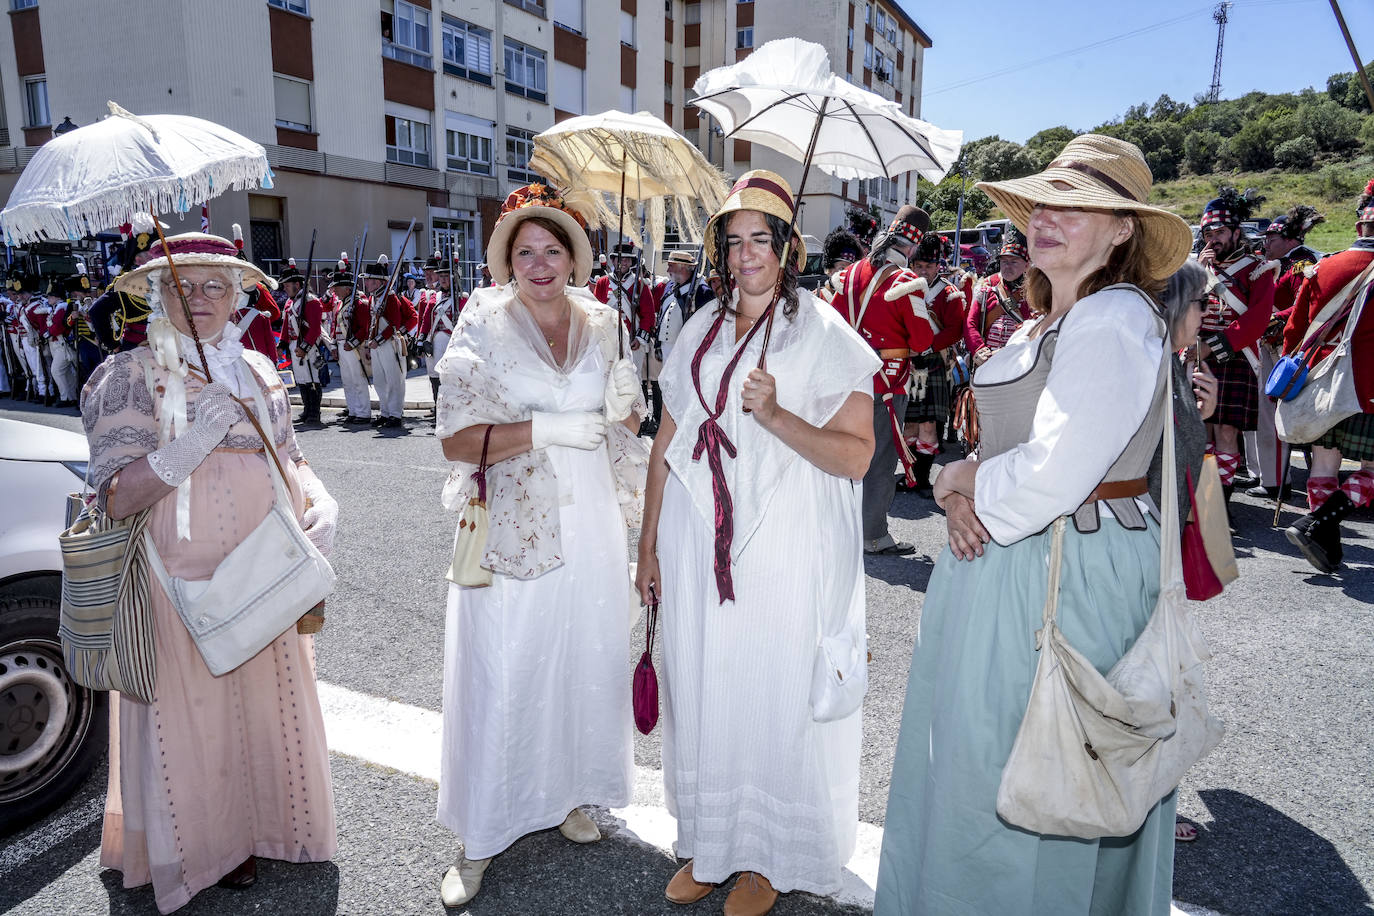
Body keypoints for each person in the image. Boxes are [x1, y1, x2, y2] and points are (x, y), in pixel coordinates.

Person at [874, 134, 1194, 915]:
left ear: (1123, 230)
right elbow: (1008, 457)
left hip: (1064, 565)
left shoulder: (1115, 316)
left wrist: (957, 479)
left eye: (1077, 208)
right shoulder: (1047, 321)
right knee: (990, 763)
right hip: (1013, 558)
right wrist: (957, 495)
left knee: (1041, 765)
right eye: (1043, 203)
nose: (1049, 218)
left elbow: (1054, 471)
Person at [636, 170, 878, 916]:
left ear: (787, 248)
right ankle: (712, 845)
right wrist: (646, 546)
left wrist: (777, 416)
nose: (746, 256)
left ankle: (767, 859)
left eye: (760, 240)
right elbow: (667, 436)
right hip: (693, 534)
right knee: (705, 684)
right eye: (733, 241)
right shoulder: (702, 325)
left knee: (768, 689)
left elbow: (857, 456)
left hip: (785, 543)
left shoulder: (824, 332)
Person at [86, 232, 338, 913]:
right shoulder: (127, 376)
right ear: (157, 295)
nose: (198, 299)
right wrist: (193, 441)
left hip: (267, 569)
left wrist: (319, 499)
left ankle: (263, 827)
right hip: (178, 574)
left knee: (262, 701)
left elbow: (292, 454)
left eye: (215, 286)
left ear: (239, 297)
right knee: (193, 713)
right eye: (182, 286)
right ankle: (204, 846)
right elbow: (112, 494)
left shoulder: (258, 368)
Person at [433, 183, 647, 908]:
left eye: (553, 249)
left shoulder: (605, 320)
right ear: (504, 259)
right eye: (524, 251)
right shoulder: (481, 323)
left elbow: (626, 429)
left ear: (575, 256)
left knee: (583, 653)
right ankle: (480, 832)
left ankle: (572, 792)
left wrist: (627, 404)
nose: (539, 262)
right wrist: (541, 430)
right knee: (508, 663)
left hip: (591, 518)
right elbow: (454, 439)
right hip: (516, 524)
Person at [829, 205, 936, 555]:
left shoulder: (846, 276)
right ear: (913, 247)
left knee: (841, 454)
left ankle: (839, 528)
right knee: (879, 460)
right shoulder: (906, 282)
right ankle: (872, 534)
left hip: (843, 380)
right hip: (885, 385)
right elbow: (921, 342)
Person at [1280, 186, 1374, 574]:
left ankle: (1327, 550)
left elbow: (1293, 331)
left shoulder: (1324, 266)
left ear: (1359, 224)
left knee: (1323, 468)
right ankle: (1315, 525)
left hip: (1319, 385)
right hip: (1367, 389)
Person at [1196, 187, 1279, 503]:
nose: (1214, 238)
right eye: (1208, 232)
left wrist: (1213, 347)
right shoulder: (1201, 266)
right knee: (1200, 430)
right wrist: (1197, 272)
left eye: (1220, 231)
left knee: (1226, 433)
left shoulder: (1258, 267)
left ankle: (1221, 501)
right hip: (1197, 355)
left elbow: (1257, 320)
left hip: (1235, 358)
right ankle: (1202, 498)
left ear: (1235, 232)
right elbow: (1184, 308)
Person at [1244, 205, 1327, 497]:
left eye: (1272, 238)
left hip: (1285, 349)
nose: (1266, 243)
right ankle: (1267, 475)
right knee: (1262, 412)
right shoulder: (1281, 263)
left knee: (1272, 412)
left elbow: (1305, 305)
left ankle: (1276, 480)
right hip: (1271, 344)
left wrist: (1276, 319)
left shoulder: (1300, 265)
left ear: (1291, 239)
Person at [900, 234, 967, 496]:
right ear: (912, 265)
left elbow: (955, 330)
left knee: (928, 425)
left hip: (933, 361)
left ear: (938, 266)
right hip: (909, 362)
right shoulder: (904, 288)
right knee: (909, 425)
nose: (923, 271)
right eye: (919, 266)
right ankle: (910, 477)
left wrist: (926, 346)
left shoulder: (949, 294)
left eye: (929, 266)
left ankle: (923, 478)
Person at [645, 249, 712, 435]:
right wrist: (658, 344)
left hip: (689, 352)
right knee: (668, 388)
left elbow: (708, 324)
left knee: (686, 390)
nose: (667, 269)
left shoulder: (703, 292)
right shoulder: (669, 288)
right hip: (667, 349)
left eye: (671, 266)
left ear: (684, 268)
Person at [360, 255, 417, 428]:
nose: (367, 283)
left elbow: (393, 324)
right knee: (379, 380)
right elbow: (371, 324)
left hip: (389, 344)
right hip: (377, 345)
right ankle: (385, 412)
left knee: (394, 380)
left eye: (369, 280)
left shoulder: (390, 298)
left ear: (378, 282)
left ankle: (395, 414)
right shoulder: (373, 298)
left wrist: (378, 340)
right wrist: (370, 343)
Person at [963, 227, 1033, 365]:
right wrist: (979, 350)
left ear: (1026, 265)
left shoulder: (1035, 290)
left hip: (1020, 360)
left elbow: (1037, 328)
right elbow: (970, 322)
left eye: (1013, 262)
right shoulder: (988, 285)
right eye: (1004, 261)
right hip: (987, 360)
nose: (1007, 266)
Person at [279, 262, 327, 424]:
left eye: (287, 285)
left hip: (308, 346)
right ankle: (307, 410)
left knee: (312, 378)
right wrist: (282, 345)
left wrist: (304, 347)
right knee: (301, 379)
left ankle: (315, 412)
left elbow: (315, 329)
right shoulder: (291, 303)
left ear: (297, 285)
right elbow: (286, 327)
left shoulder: (311, 301)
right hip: (295, 345)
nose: (285, 288)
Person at [592, 240, 655, 351]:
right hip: (607, 339)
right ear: (613, 260)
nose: (624, 262)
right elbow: (596, 311)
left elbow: (648, 314)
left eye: (627, 260)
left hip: (631, 339)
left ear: (631, 262)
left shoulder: (640, 285)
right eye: (620, 259)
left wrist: (639, 339)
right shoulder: (602, 283)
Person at [332, 261, 373, 425]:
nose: (334, 290)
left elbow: (364, 328)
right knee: (347, 381)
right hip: (343, 346)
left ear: (347, 289)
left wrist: (353, 342)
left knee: (358, 380)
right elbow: (335, 327)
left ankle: (363, 413)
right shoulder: (341, 304)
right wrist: (334, 346)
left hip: (354, 347)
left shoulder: (359, 303)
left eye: (338, 287)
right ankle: (353, 410)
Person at [815, 226, 866, 303]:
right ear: (829, 270)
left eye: (850, 269)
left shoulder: (856, 300)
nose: (846, 273)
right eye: (842, 268)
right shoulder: (816, 299)